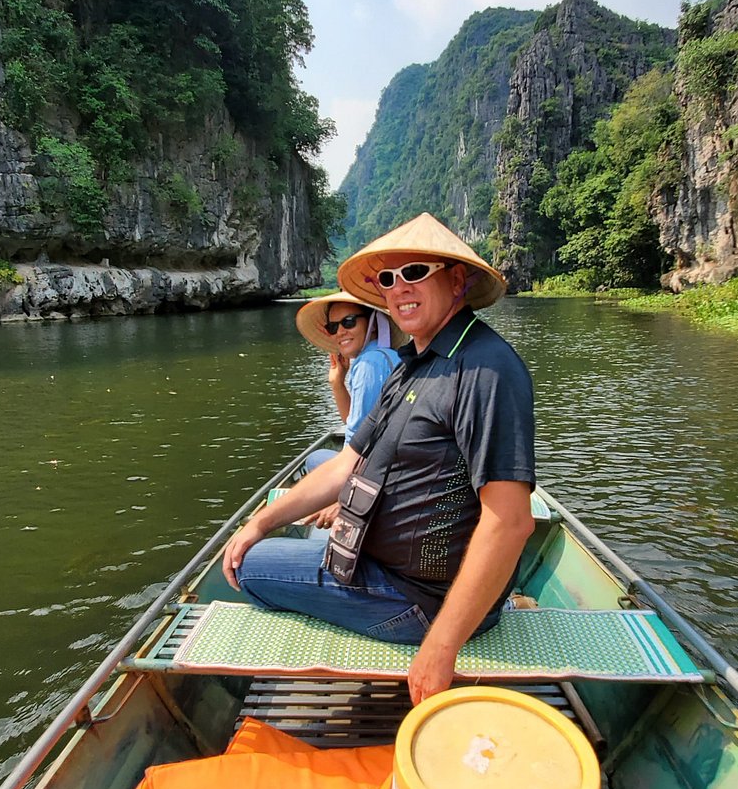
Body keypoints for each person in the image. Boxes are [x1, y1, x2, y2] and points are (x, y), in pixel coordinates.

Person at [223, 213, 536, 705]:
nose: (398, 288)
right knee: (251, 546)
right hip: (376, 568)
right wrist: (260, 522)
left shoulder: (487, 370)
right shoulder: (413, 367)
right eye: (387, 278)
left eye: (414, 272)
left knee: (249, 571)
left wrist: (440, 646)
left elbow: (510, 523)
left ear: (457, 280)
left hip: (417, 601)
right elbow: (349, 462)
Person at [294, 292, 400, 476]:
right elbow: (357, 423)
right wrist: (337, 383)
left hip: (380, 468)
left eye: (349, 321)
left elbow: (356, 440)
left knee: (314, 459)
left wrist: (339, 473)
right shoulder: (387, 355)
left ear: (372, 324)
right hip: (389, 458)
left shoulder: (369, 363)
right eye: (333, 327)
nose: (340, 332)